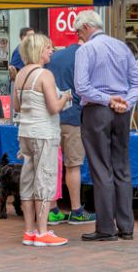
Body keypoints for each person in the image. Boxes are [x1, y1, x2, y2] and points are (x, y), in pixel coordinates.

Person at [73, 10, 138, 242]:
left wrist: (108, 100)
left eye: (78, 31)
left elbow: (81, 87)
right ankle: (126, 226)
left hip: (98, 110)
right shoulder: (122, 47)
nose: (78, 36)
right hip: (121, 112)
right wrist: (126, 101)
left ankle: (106, 228)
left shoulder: (86, 50)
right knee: (121, 167)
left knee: (101, 168)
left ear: (85, 27)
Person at [13, 34, 71, 247]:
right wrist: (65, 97)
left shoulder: (21, 74)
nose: (51, 51)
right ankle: (43, 231)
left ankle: (29, 231)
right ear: (39, 50)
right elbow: (54, 107)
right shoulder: (45, 75)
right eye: (48, 48)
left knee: (27, 179)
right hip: (44, 132)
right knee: (45, 180)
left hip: (25, 131)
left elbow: (17, 107)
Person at [45, 39, 96, 226]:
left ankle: (51, 209)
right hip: (73, 117)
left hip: (51, 116)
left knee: (51, 165)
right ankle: (76, 210)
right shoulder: (85, 57)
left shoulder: (55, 56)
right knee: (73, 165)